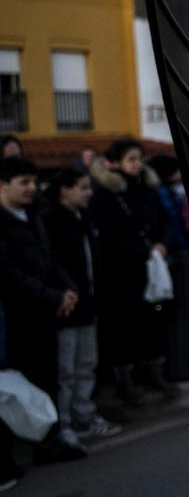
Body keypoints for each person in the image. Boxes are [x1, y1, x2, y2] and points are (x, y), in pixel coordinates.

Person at [0, 157, 88, 464]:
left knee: (47, 378)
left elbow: (50, 260)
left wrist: (67, 291)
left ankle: (48, 442)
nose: (31, 188)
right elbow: (10, 275)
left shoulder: (33, 215)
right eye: (23, 182)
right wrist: (53, 296)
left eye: (34, 182)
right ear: (2, 185)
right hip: (18, 318)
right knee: (24, 382)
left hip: (47, 314)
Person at [90, 138, 179, 404]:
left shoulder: (148, 189)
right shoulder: (106, 194)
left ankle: (154, 372)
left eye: (139, 158)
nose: (137, 164)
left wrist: (162, 244)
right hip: (122, 271)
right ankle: (125, 381)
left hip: (153, 267)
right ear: (115, 163)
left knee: (154, 322)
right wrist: (141, 249)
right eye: (131, 159)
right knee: (125, 327)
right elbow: (108, 234)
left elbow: (166, 221)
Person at [42, 169, 122, 439]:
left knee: (86, 364)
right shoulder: (50, 220)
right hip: (65, 306)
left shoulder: (83, 217)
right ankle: (64, 423)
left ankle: (84, 415)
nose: (89, 193)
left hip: (88, 304)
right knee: (65, 370)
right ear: (64, 189)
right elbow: (52, 264)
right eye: (83, 188)